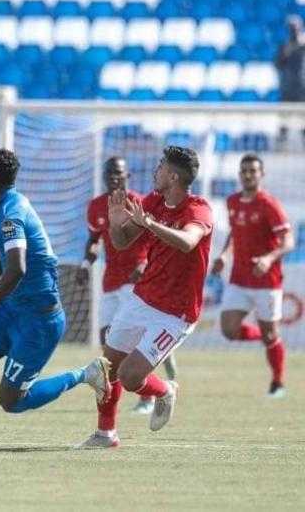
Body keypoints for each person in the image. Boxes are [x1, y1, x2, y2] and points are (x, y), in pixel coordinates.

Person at [0, 149, 109, 454]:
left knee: (11, 401)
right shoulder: (2, 210)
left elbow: (17, 269)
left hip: (38, 319)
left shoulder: (12, 215)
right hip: (12, 309)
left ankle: (84, 374)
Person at [79, 146, 213, 449]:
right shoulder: (153, 201)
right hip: (141, 299)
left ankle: (165, 390)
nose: (156, 171)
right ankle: (105, 434)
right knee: (107, 368)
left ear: (173, 176)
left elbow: (189, 242)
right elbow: (122, 241)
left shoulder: (199, 208)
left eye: (161, 167)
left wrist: (151, 223)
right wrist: (116, 221)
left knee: (129, 376)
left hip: (176, 313)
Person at [76, 156, 177, 415]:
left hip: (137, 281)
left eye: (118, 173)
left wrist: (145, 265)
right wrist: (86, 264)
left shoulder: (140, 203)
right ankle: (127, 396)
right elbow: (93, 240)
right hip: (110, 281)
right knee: (106, 344)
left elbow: (157, 238)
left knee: (134, 343)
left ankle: (148, 398)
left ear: (127, 176)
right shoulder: (96, 206)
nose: (113, 177)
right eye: (109, 173)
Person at [211, 154, 294, 398]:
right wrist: (225, 255)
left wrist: (269, 259)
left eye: (253, 171)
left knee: (270, 334)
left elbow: (288, 241)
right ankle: (270, 337)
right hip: (239, 278)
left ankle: (277, 382)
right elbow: (234, 234)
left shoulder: (269, 204)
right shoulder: (233, 201)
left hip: (267, 281)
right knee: (229, 330)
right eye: (244, 170)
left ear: (261, 174)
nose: (248, 174)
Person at [274, 15, 305, 146]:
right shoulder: (284, 46)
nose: (293, 31)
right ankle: (281, 143)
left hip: (302, 87)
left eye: (295, 27)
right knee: (284, 118)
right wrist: (288, 50)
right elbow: (277, 64)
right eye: (291, 28)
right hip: (288, 87)